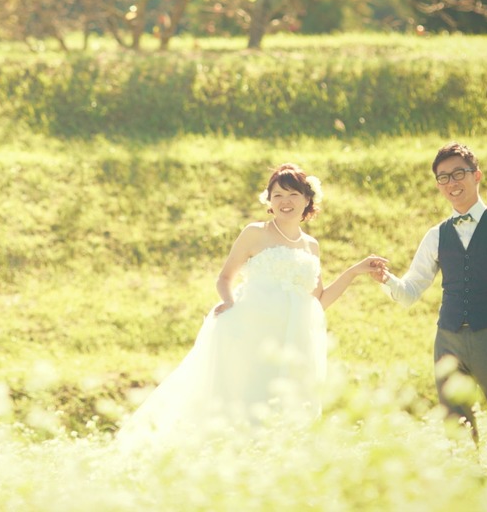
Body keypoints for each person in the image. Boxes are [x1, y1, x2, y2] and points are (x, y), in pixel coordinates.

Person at [118, 163, 384, 445]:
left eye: (293, 194)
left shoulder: (311, 245)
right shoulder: (255, 233)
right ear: (269, 201)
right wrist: (230, 303)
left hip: (291, 341)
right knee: (241, 403)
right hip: (249, 331)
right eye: (278, 195)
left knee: (280, 408)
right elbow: (225, 277)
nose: (285, 202)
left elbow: (318, 300)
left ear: (307, 200)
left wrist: (355, 270)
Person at [371, 142, 487, 441]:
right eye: (443, 177)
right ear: (438, 185)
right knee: (458, 432)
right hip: (447, 342)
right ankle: (467, 485)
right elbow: (410, 291)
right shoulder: (436, 234)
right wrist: (386, 279)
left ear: (477, 176)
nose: (452, 182)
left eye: (458, 173)